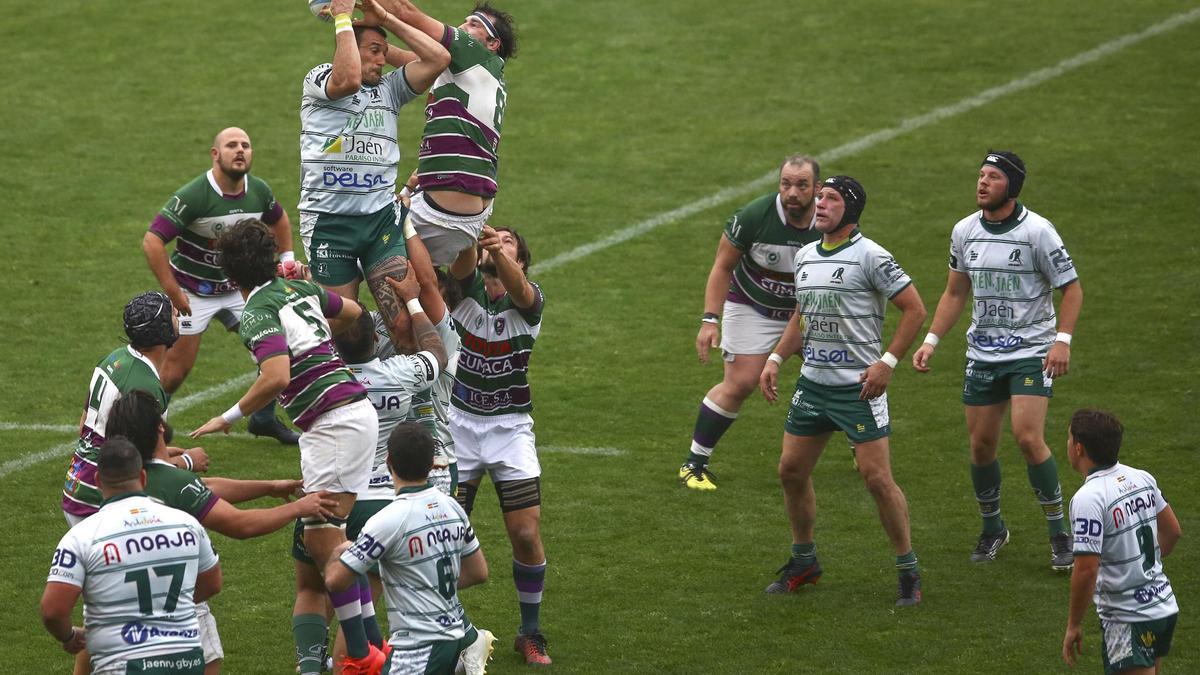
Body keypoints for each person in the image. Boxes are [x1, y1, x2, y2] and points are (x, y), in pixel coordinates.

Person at [194, 219, 384, 674]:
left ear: (231, 277)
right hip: (355, 413)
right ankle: (374, 646)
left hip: (331, 426)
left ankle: (362, 655)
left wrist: (228, 417)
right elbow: (355, 313)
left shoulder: (257, 312)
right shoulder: (301, 291)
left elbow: (276, 375)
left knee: (326, 549)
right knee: (336, 543)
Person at [759, 176, 927, 606]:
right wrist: (776, 359)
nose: (820, 204)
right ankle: (805, 561)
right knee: (790, 471)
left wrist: (887, 363)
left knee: (876, 480)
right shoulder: (807, 256)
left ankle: (908, 569)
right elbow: (802, 314)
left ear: (850, 211)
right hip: (814, 384)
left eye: (830, 199)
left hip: (859, 389)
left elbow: (914, 309)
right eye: (820, 197)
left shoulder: (872, 256)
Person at [912, 150, 1083, 570]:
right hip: (983, 352)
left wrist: (1061, 341)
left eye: (993, 176)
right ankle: (993, 528)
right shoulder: (964, 231)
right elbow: (955, 293)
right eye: (981, 175)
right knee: (982, 445)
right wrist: (932, 340)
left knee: (1027, 437)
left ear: (1012, 185)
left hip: (1030, 351)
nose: (982, 182)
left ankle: (1060, 533)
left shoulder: (1039, 232)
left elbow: (1072, 288)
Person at [290, 242, 450, 673]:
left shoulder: (315, 378)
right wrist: (413, 300)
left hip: (324, 497)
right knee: (359, 597)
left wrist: (305, 290)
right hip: (381, 501)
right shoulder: (400, 373)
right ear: (374, 341)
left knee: (311, 588)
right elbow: (437, 352)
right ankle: (352, 667)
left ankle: (309, 667)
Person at [96, 390, 337, 675]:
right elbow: (241, 525)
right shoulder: (175, 481)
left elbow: (204, 488)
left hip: (127, 615)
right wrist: (298, 507)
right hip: (183, 614)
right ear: (159, 427)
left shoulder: (130, 481)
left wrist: (270, 487)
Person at [297, 0, 449, 352]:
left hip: (380, 221)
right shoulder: (319, 79)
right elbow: (348, 78)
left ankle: (408, 403)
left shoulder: (389, 90)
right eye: (375, 52)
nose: (383, 60)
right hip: (330, 225)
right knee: (341, 330)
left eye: (385, 53)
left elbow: (438, 60)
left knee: (403, 324)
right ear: (346, 44)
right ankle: (350, 402)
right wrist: (342, 19)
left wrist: (384, 20)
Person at [142, 127, 299, 445]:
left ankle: (264, 419)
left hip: (239, 290)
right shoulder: (195, 195)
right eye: (231, 145)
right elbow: (152, 241)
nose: (240, 150)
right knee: (174, 373)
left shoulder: (258, 191)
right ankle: (149, 434)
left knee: (282, 349)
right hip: (192, 293)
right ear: (215, 155)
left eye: (246, 145)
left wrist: (288, 259)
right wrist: (174, 292)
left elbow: (279, 220)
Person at [680, 154, 822, 490]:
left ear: (817, 188)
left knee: (845, 373)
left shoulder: (831, 219)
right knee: (741, 383)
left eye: (802, 185)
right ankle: (694, 463)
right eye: (786, 183)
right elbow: (722, 267)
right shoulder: (754, 216)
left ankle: (863, 446)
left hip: (807, 312)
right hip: (753, 307)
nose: (792, 192)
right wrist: (710, 319)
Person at [447, 226, 551, 664]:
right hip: (458, 426)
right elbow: (462, 265)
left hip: (509, 429)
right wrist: (472, 234)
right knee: (444, 534)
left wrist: (494, 249)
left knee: (526, 534)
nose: (498, 241)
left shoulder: (530, 301)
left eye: (508, 241)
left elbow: (519, 288)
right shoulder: (464, 288)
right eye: (495, 237)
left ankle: (530, 632)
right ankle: (445, 628)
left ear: (521, 260)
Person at [41, 438, 222, 675]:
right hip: (185, 662)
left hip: (123, 665)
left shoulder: (82, 536)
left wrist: (69, 636)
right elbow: (212, 583)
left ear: (97, 482)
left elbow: (53, 610)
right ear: (143, 478)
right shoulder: (187, 524)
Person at [325, 422, 493, 675]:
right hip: (451, 639)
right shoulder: (453, 507)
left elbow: (336, 582)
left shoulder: (386, 520)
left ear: (388, 460)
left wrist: (336, 555)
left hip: (416, 650)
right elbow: (479, 572)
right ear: (432, 463)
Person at [374, 0, 518, 265]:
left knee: (355, 255)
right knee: (413, 284)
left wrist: (376, 12)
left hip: (445, 207)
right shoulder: (469, 71)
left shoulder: (476, 55)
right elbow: (414, 60)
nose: (463, 26)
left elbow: (406, 11)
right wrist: (366, 41)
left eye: (474, 24)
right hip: (463, 206)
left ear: (492, 43)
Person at [61, 291, 208, 525]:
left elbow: (85, 426)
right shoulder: (146, 386)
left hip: (77, 485)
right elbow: (153, 467)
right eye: (172, 313)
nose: (178, 314)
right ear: (161, 330)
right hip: (102, 499)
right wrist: (189, 461)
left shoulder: (114, 358)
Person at [1061, 409, 1181, 674]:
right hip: (1163, 606)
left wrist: (1074, 624)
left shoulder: (1088, 498)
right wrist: (1143, 569)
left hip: (1129, 617)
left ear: (1079, 448)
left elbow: (1086, 569)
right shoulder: (1142, 478)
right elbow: (1173, 532)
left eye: (1068, 439)